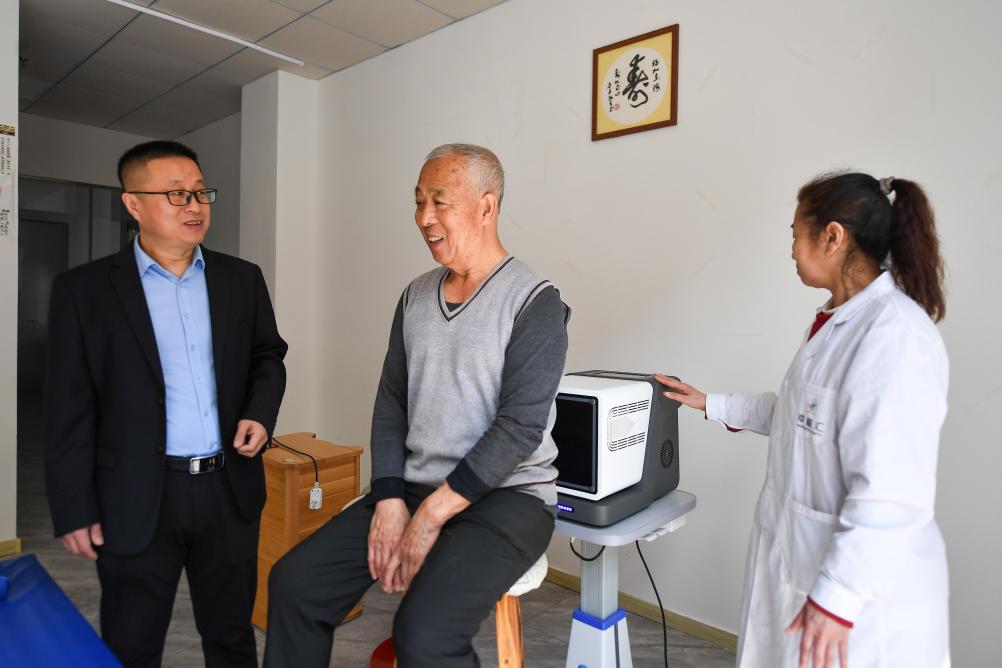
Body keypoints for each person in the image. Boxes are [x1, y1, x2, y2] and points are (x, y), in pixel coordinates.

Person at [265, 143, 570, 667]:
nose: (424, 217)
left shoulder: (534, 301)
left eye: (439, 201)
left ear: (486, 206)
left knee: (424, 637)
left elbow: (520, 427)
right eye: (418, 201)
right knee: (294, 584)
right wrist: (388, 498)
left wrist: (429, 514)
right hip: (413, 485)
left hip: (508, 499)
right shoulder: (414, 296)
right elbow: (391, 403)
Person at [657, 172, 949, 668]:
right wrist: (710, 402)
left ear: (832, 237)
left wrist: (837, 598)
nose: (791, 249)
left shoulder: (895, 336)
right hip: (803, 566)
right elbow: (802, 414)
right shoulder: (835, 323)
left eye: (795, 234)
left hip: (864, 602)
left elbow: (891, 493)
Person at [45, 140, 288, 667]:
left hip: (227, 489)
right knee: (132, 642)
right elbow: (67, 408)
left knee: (231, 637)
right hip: (134, 494)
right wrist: (73, 507)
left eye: (200, 192)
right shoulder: (83, 291)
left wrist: (259, 413)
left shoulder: (240, 279)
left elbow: (267, 356)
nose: (195, 206)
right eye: (177, 194)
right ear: (133, 204)